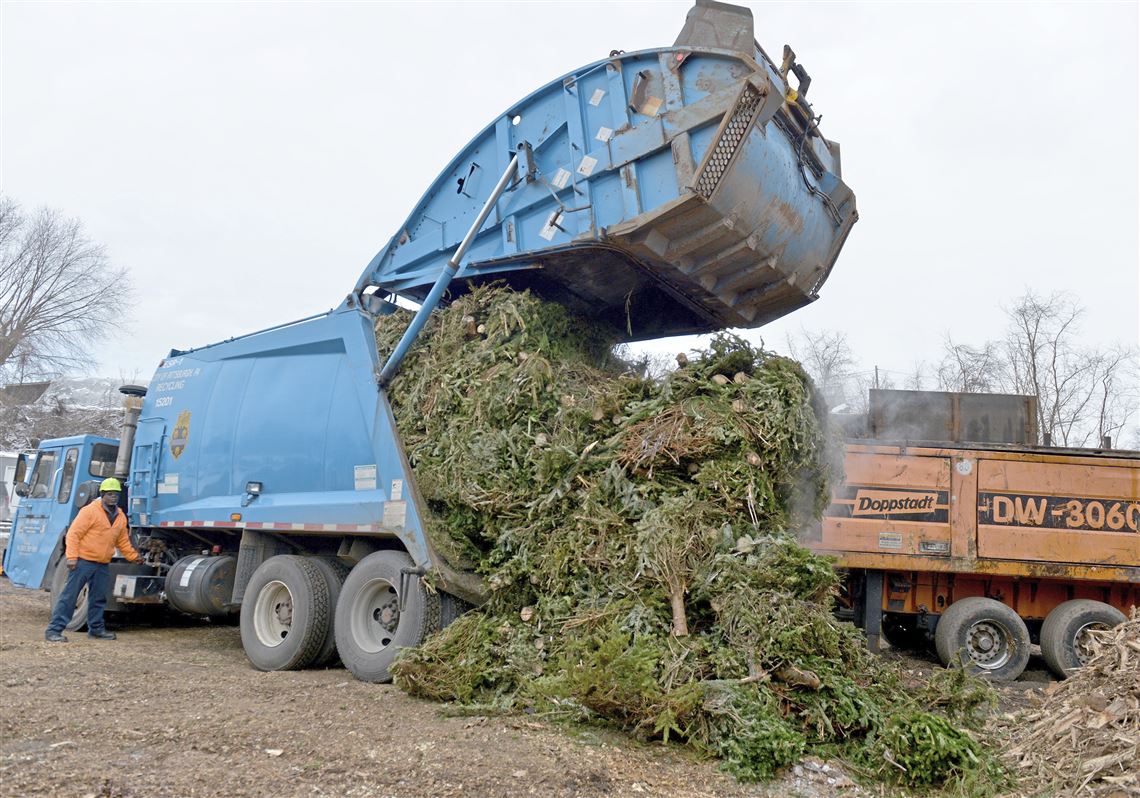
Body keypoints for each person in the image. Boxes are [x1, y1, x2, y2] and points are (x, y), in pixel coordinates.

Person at [44, 477, 144, 642]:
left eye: (116, 494)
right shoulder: (89, 511)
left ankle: (96, 630)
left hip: (102, 564)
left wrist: (134, 557)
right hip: (83, 562)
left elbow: (123, 541)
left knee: (98, 598)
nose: (113, 497)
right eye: (110, 494)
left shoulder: (120, 517)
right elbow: (73, 534)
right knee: (69, 597)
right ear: (102, 494)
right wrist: (72, 558)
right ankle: (54, 631)